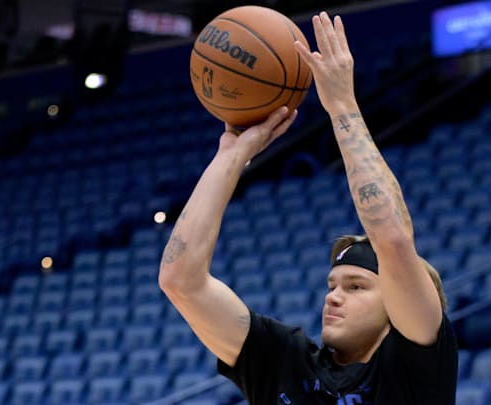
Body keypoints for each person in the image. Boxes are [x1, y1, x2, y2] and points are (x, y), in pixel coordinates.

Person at [159, 11, 458, 404]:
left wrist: (342, 107)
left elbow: (393, 238)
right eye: (333, 286)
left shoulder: (414, 368)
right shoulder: (283, 360)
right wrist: (230, 157)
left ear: (397, 308)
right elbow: (180, 280)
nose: (333, 297)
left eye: (356, 287)